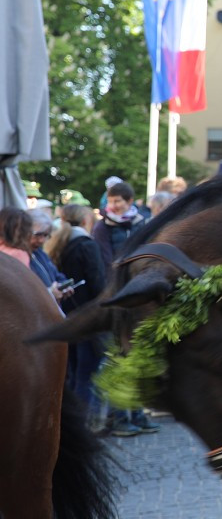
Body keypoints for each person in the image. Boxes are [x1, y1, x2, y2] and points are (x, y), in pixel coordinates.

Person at [91, 179, 160, 435]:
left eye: (118, 201)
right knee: (119, 357)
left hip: (139, 297)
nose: (113, 205)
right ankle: (118, 418)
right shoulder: (102, 227)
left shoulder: (141, 223)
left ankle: (138, 414)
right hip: (117, 299)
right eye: (110, 201)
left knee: (137, 357)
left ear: (129, 202)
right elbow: (106, 262)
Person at [47, 204, 109, 430]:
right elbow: (97, 283)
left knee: (72, 374)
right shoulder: (86, 244)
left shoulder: (59, 242)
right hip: (87, 318)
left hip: (67, 316)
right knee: (86, 375)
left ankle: (69, 424)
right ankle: (82, 427)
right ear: (85, 221)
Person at [26, 209, 74, 305]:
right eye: (38, 235)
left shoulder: (39, 253)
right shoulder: (18, 257)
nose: (42, 240)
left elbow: (56, 274)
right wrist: (49, 293)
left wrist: (63, 285)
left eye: (45, 235)